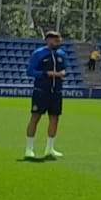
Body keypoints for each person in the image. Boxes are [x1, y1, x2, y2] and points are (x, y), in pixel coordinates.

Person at [25, 29, 71, 160]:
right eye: (56, 40)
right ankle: (29, 148)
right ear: (48, 40)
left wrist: (63, 73)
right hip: (41, 91)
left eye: (59, 40)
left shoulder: (62, 54)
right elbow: (30, 71)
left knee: (55, 119)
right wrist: (45, 74)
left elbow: (64, 69)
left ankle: (50, 148)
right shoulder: (38, 54)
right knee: (35, 118)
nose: (59, 43)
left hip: (56, 92)